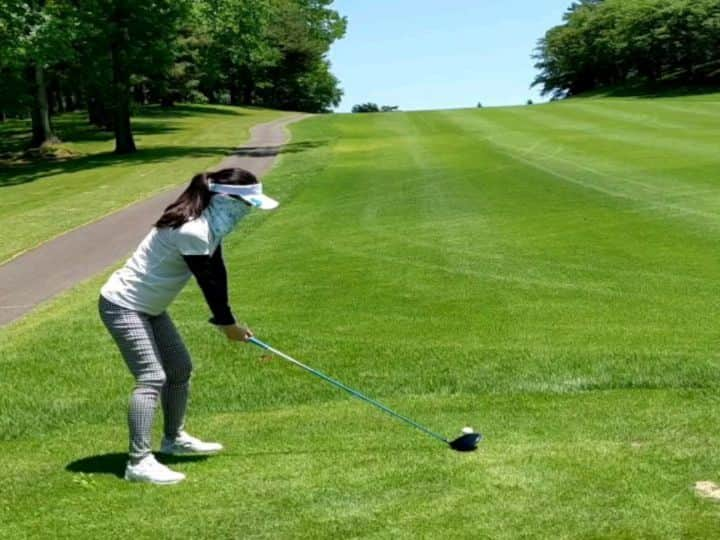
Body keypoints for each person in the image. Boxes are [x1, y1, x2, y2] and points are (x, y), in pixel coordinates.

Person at [98, 167, 278, 485]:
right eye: (245, 205)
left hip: (150, 308)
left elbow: (217, 272)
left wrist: (230, 321)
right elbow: (207, 281)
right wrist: (226, 325)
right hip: (123, 305)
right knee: (151, 377)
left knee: (179, 369)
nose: (247, 212)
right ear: (225, 199)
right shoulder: (191, 229)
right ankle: (138, 462)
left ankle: (173, 439)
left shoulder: (209, 224)